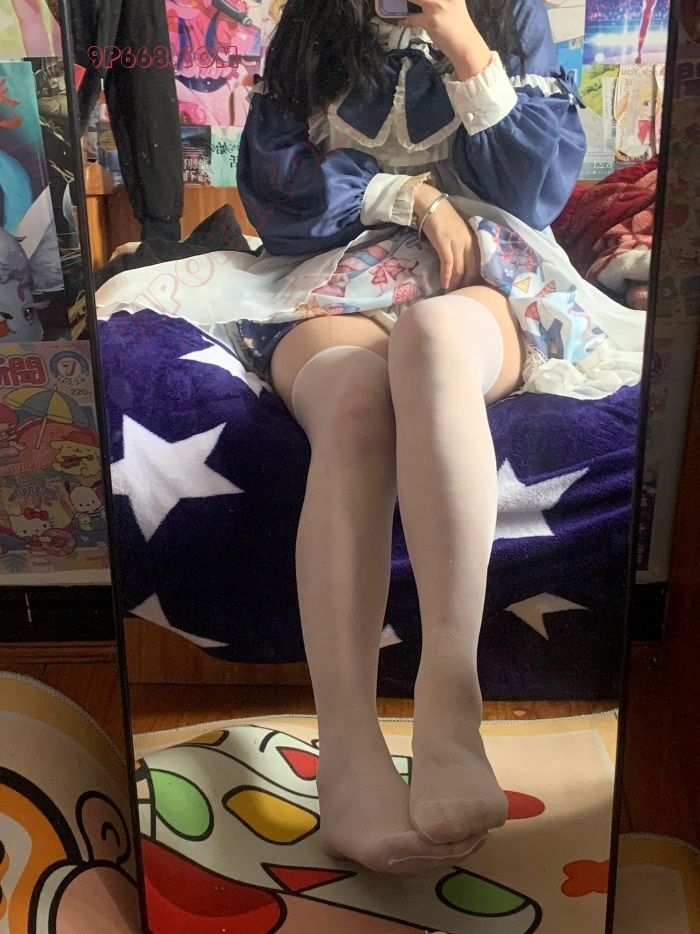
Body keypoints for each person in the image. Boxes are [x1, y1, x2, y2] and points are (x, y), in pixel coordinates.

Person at [94, 0, 646, 874]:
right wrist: (412, 197)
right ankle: (347, 748)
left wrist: (461, 37)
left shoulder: (508, 15)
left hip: (486, 279)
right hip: (328, 277)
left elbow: (536, 190)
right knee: (352, 405)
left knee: (431, 343)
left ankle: (450, 705)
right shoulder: (316, 23)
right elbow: (279, 197)